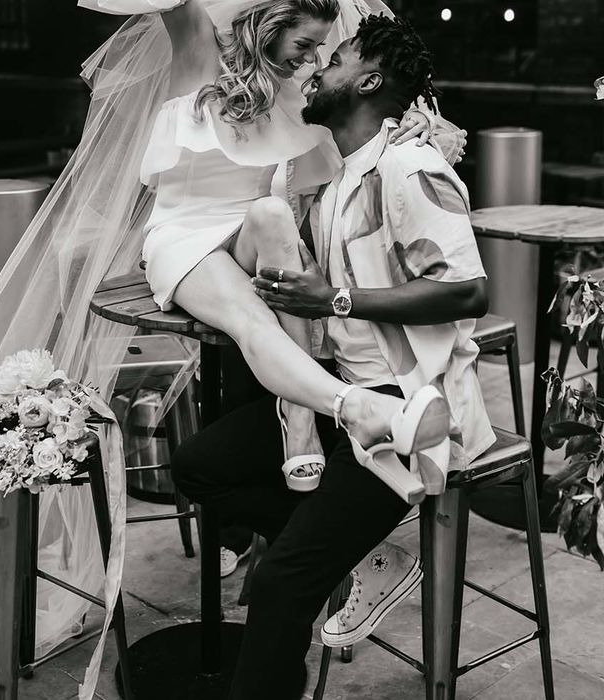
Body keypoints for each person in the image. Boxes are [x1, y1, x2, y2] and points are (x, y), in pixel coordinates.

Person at [0, 3, 462, 698]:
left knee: (275, 214)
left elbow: (332, 187)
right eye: (307, 43)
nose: (313, 58)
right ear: (269, 21)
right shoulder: (194, 41)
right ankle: (337, 409)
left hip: (249, 234)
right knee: (254, 327)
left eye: (326, 50)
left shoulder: (304, 98)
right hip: (184, 238)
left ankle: (309, 424)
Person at [171, 13, 495, 698]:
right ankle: (369, 554)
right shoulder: (340, 180)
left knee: (284, 580)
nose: (318, 66)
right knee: (199, 465)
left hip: (409, 414)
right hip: (343, 400)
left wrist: (339, 300)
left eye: (337, 55)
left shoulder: (409, 166)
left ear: (369, 79)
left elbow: (468, 289)